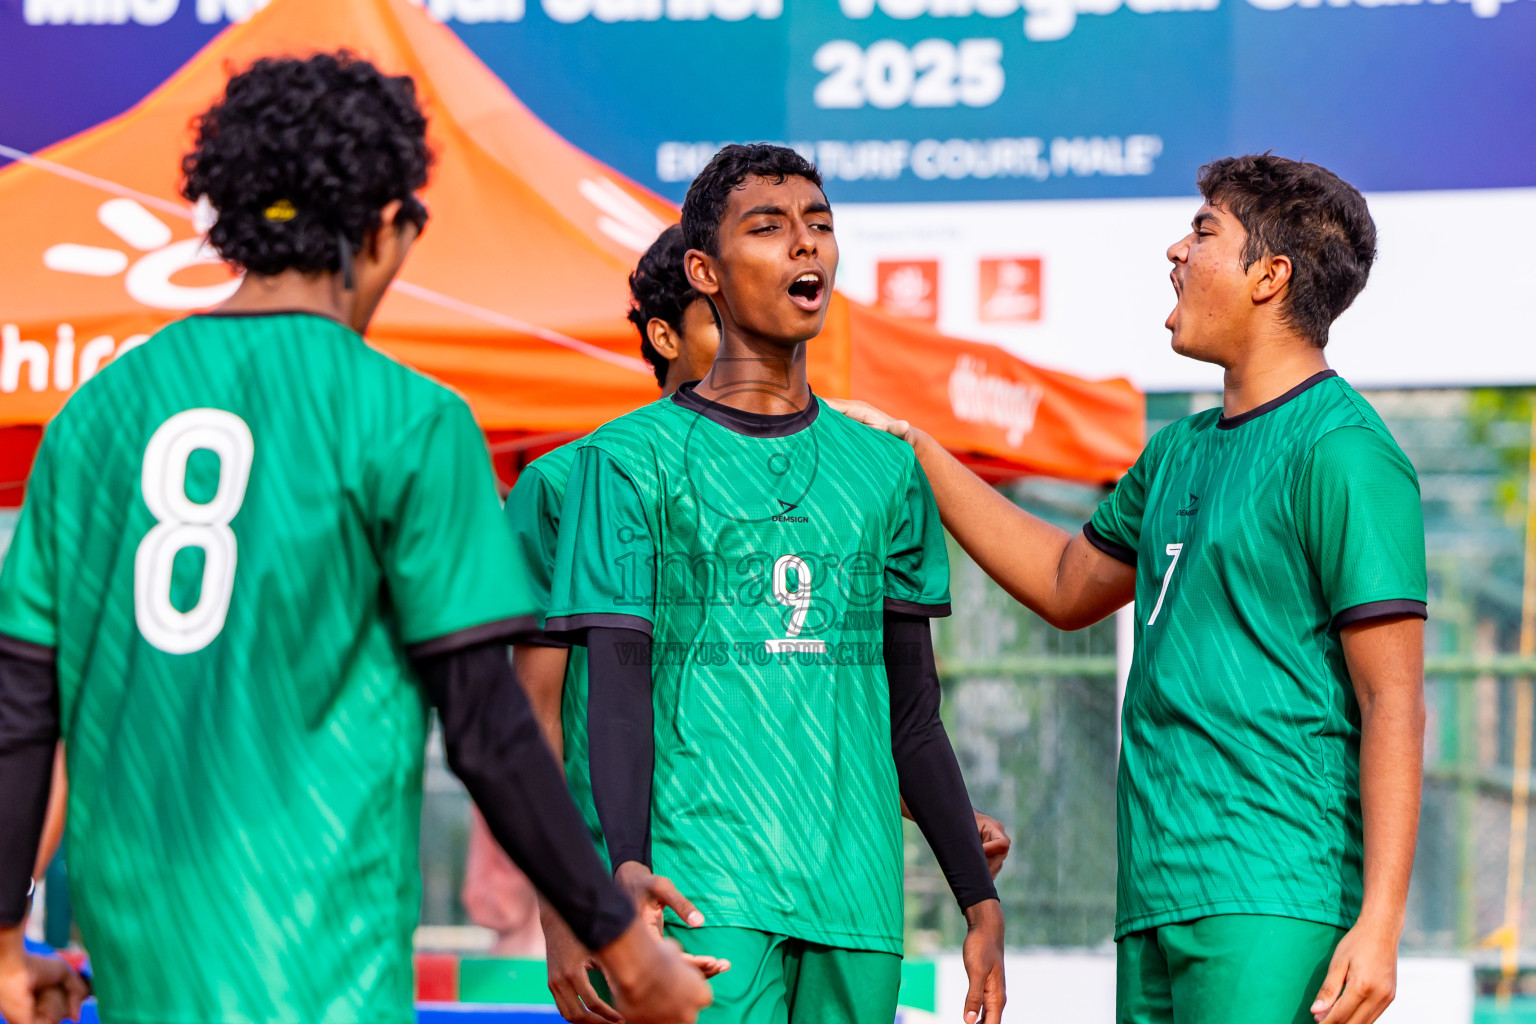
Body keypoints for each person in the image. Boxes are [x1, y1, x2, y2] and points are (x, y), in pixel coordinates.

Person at [0, 53, 710, 1024]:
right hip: (320, 976)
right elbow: (488, 726)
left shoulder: (94, 418)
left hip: (141, 977)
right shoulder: (406, 419)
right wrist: (625, 948)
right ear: (383, 229)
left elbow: (21, 708)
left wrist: (3, 937)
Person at [836, 154, 1426, 1024]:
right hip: (1153, 893)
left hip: (1276, 893)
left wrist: (1379, 923)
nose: (1175, 251)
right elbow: (1064, 584)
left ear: (1270, 276)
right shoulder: (1176, 452)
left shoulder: (1346, 454)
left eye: (1203, 231)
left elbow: (1395, 700)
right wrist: (919, 450)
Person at [543, 144, 1007, 1024]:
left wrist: (977, 899)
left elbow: (911, 712)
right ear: (704, 270)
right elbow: (615, 687)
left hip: (856, 902)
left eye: (820, 227)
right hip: (699, 887)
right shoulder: (625, 462)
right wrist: (624, 864)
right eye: (770, 228)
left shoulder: (885, 470)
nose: (805, 247)